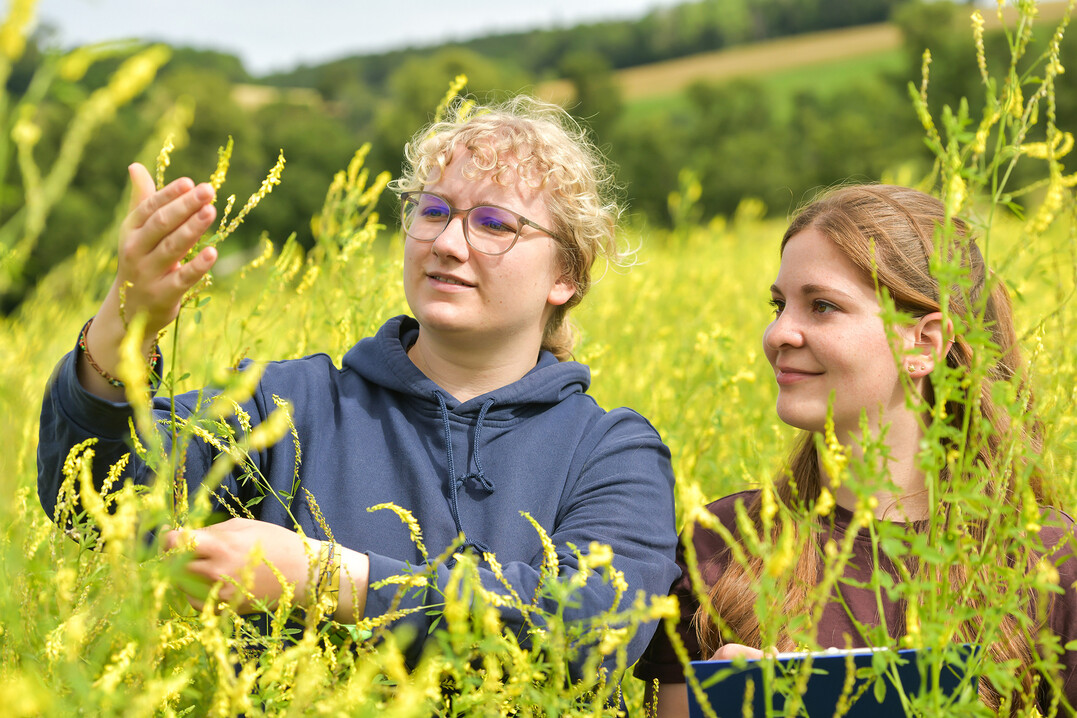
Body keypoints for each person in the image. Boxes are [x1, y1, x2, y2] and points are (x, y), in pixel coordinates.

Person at [36, 96, 680, 673]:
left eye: (493, 223)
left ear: (566, 273)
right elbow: (98, 502)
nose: (448, 242)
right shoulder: (285, 403)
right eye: (433, 211)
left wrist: (326, 579)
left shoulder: (610, 450)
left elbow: (593, 626)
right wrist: (124, 326)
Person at [636, 185, 1077, 714]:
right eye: (779, 305)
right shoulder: (725, 543)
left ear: (925, 343)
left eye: (822, 306)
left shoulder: (1044, 558)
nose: (778, 333)